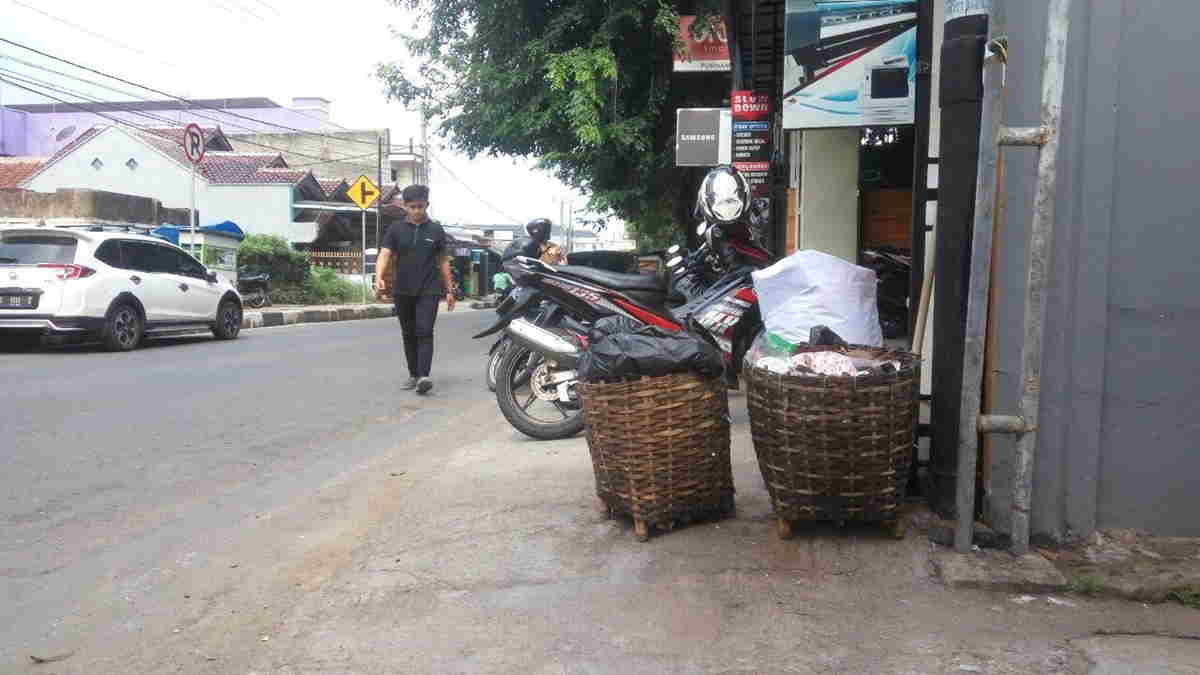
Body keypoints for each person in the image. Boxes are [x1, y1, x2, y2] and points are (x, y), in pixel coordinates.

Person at [374, 184, 456, 395]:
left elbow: (443, 261)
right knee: (408, 333)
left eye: (421, 206)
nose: (417, 211)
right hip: (403, 290)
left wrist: (449, 290)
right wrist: (379, 276)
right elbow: (384, 254)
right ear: (405, 206)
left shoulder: (436, 230)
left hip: (429, 289)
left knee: (425, 331)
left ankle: (424, 376)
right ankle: (413, 374)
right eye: (412, 207)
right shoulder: (396, 229)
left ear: (427, 205)